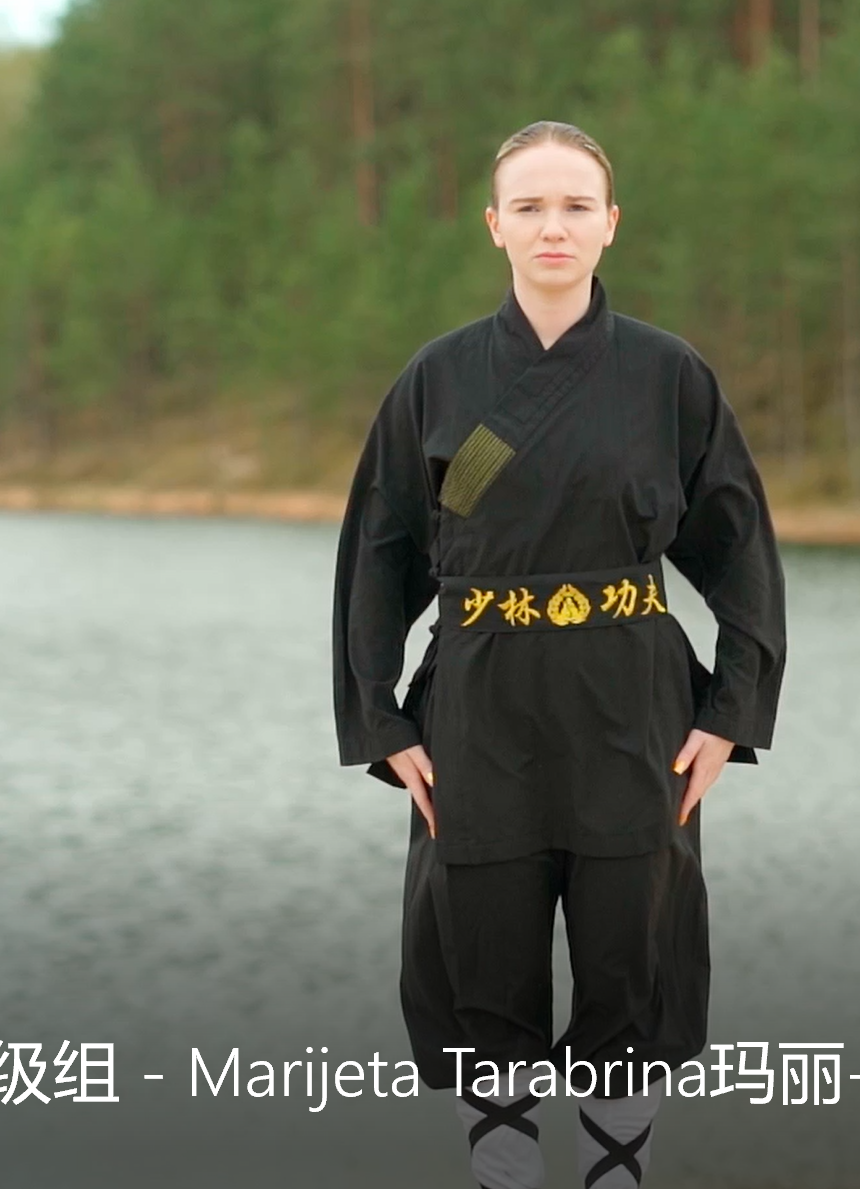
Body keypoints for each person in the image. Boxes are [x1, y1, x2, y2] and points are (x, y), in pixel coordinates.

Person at [331, 120, 787, 1189]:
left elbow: (740, 554)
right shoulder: (440, 380)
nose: (553, 226)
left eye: (575, 206)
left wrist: (730, 712)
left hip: (632, 706)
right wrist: (380, 719)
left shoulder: (667, 377)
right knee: (481, 954)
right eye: (529, 207)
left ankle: (614, 1174)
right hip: (478, 709)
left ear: (609, 224)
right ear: (493, 225)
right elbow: (380, 556)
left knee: (631, 955)